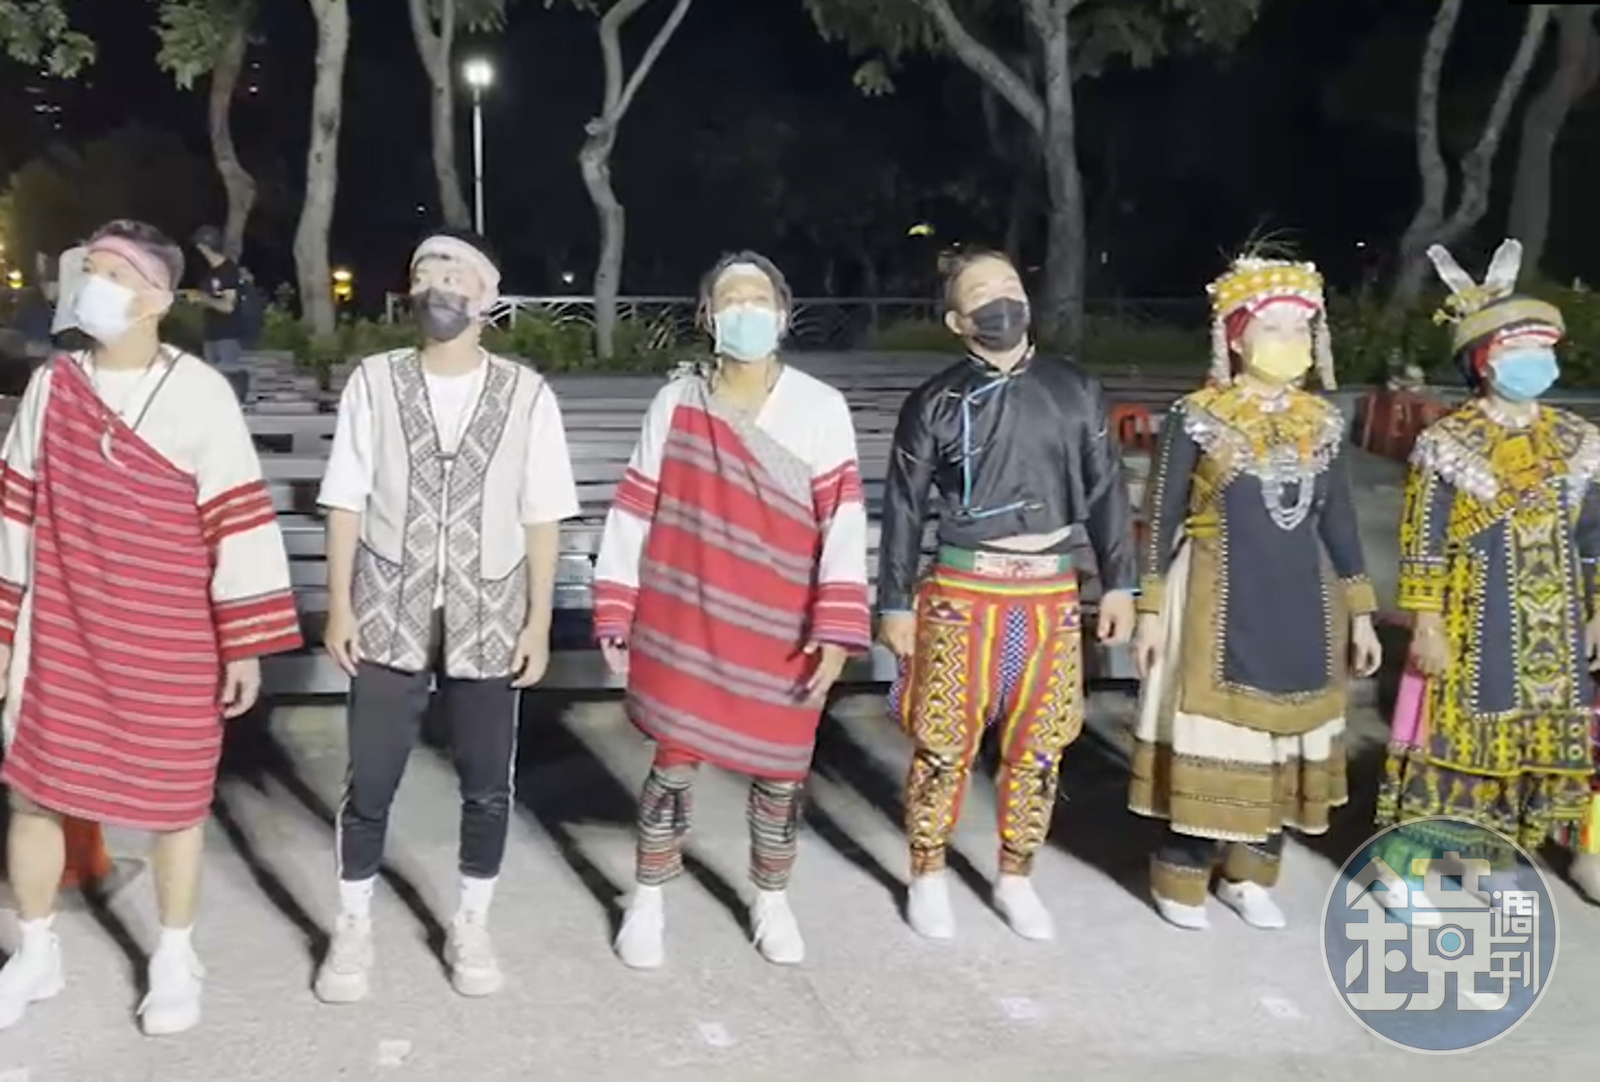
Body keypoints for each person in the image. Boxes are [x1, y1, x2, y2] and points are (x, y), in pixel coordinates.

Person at [0, 220, 302, 1035]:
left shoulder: (200, 391)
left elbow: (237, 517)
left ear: (157, 300)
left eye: (110, 274)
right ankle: (35, 952)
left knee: (175, 808)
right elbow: (15, 511)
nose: (89, 285)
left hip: (169, 638)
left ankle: (173, 956)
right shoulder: (52, 386)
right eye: (88, 268)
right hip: (63, 631)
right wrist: (3, 629)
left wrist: (242, 643)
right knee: (34, 795)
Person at [312, 228, 579, 1004]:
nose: (439, 286)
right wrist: (339, 604)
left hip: (489, 606)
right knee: (371, 779)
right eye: (426, 271)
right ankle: (353, 925)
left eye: (455, 273)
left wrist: (537, 621)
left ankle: (472, 922)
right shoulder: (375, 382)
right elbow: (345, 498)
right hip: (387, 604)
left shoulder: (525, 394)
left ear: (486, 296)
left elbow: (542, 514)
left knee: (487, 782)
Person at [594, 251, 870, 970]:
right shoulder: (677, 403)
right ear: (708, 317)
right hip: (686, 617)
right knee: (673, 762)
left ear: (783, 312)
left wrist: (836, 629)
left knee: (781, 774)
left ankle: (770, 899)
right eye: (730, 299)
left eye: (758, 298)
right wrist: (616, 605)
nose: (745, 310)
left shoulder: (820, 406)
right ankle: (648, 897)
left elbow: (842, 520)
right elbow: (635, 505)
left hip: (783, 626)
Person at [878, 248, 1138, 943]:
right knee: (943, 743)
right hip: (961, 592)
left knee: (1041, 746)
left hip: (1051, 593)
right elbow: (904, 504)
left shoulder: (1074, 389)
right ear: (957, 320)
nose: (1000, 298)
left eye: (1009, 285)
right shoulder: (934, 402)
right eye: (980, 291)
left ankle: (1016, 875)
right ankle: (927, 871)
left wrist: (1121, 583)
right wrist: (894, 602)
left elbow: (1107, 487)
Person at [1129, 252, 1382, 931]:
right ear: (1236, 337)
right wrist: (1149, 608)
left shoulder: (1321, 422)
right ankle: (1181, 875)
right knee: (1212, 734)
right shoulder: (1196, 416)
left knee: (1286, 739)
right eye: (1273, 328)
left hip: (1302, 602)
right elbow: (1159, 517)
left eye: (1301, 329)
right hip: (1212, 598)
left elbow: (1339, 520)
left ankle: (1248, 876)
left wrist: (1361, 613)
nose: (1290, 342)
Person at [1378, 239, 1600, 895]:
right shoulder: (1449, 442)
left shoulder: (1576, 440)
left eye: (1543, 348)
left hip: (1553, 632)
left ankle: (1491, 859)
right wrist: (1426, 622)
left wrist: (1597, 611)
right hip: (1475, 622)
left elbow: (1593, 535)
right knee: (1453, 747)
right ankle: (1403, 871)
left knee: (1529, 750)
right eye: (1518, 349)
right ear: (1482, 360)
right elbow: (1423, 540)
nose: (1535, 361)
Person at [188, 226, 250, 402]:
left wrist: (204, 299)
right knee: (213, 387)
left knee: (227, 387)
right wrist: (199, 300)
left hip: (227, 338)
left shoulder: (228, 271)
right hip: (211, 336)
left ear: (204, 247)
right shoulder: (210, 274)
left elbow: (228, 306)